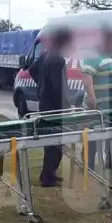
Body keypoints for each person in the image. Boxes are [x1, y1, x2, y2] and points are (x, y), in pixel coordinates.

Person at [82, 25, 112, 171]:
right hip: (98, 108)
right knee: (93, 137)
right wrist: (91, 96)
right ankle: (87, 164)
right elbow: (86, 75)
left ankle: (111, 161)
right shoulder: (94, 57)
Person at [37, 27, 73, 187]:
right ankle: (47, 177)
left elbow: (33, 71)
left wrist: (41, 90)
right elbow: (59, 88)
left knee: (51, 142)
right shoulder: (58, 59)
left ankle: (48, 173)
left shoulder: (45, 54)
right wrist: (66, 106)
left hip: (45, 103)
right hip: (55, 107)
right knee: (56, 142)